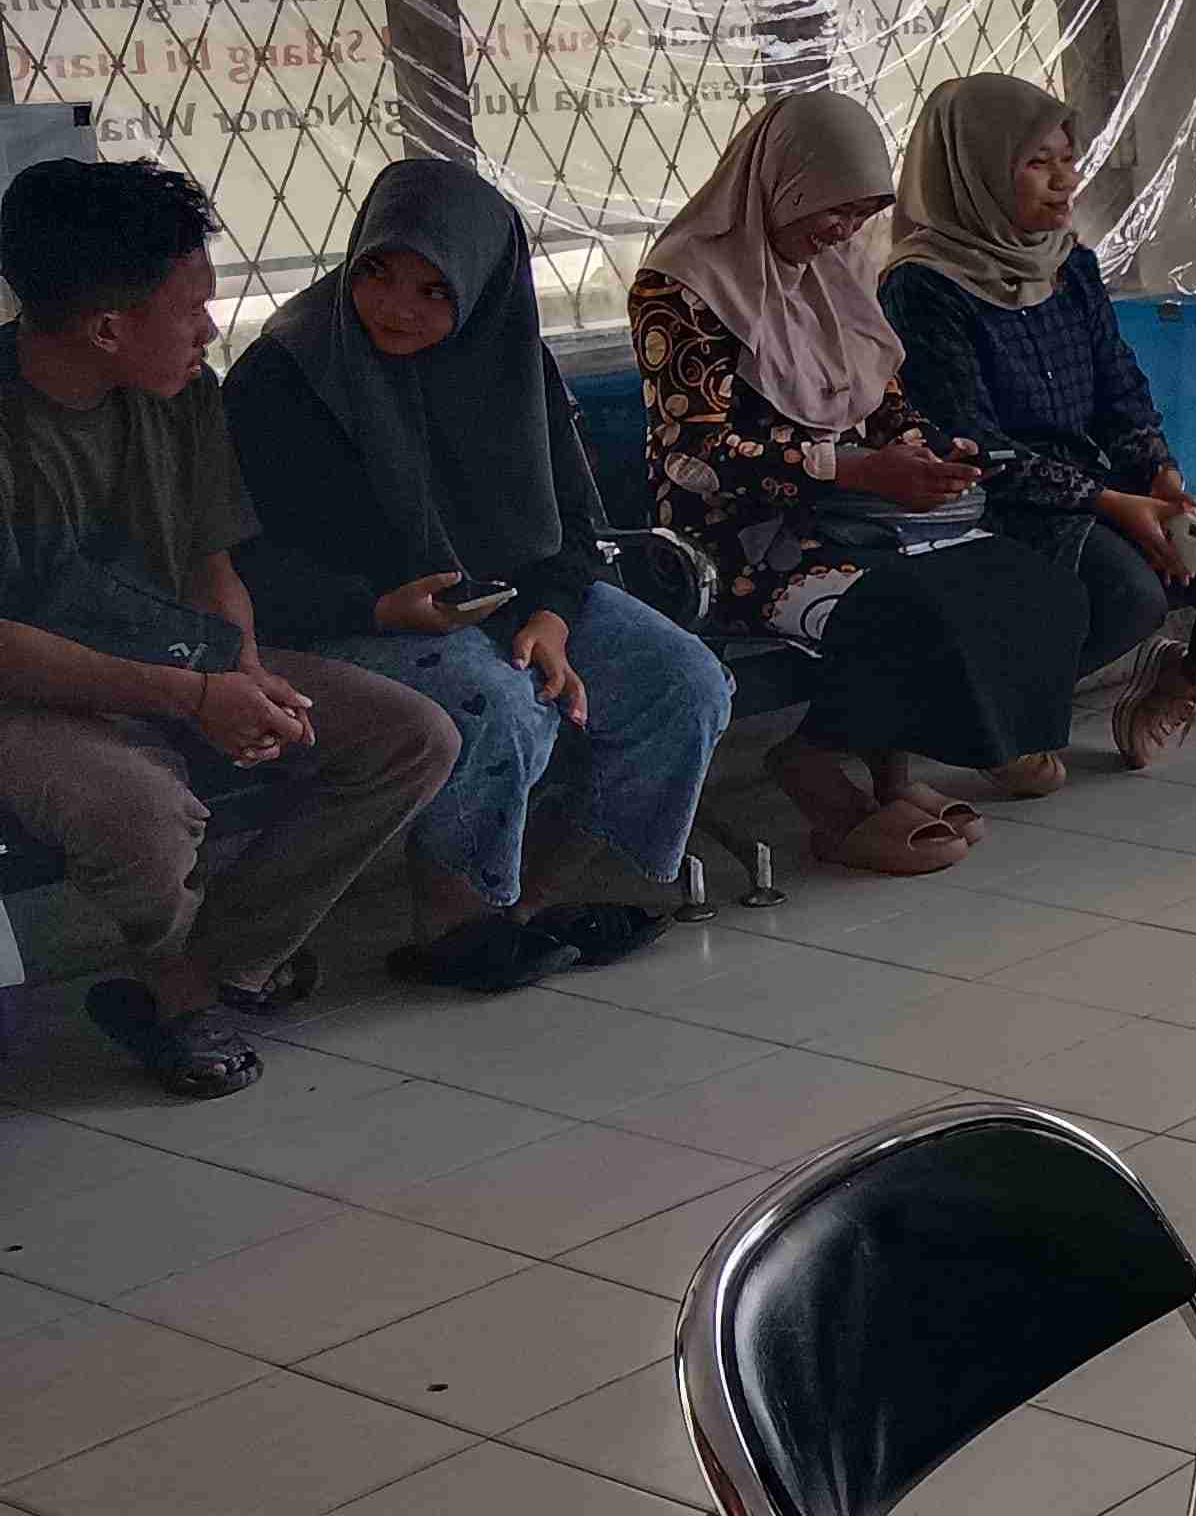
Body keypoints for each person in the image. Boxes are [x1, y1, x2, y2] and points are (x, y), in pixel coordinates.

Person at [0, 160, 454, 1095]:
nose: (212, 329)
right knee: (139, 812)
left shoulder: (182, 392)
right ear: (106, 328)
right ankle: (175, 991)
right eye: (194, 308)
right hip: (27, 692)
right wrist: (194, 696)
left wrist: (240, 672)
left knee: (411, 736)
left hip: (177, 655)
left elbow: (215, 560)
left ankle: (211, 968)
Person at [227, 160, 734, 991]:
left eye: (435, 291)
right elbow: (253, 564)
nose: (397, 307)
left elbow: (571, 521)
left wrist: (552, 617)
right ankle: (456, 922)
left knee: (682, 679)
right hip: (343, 621)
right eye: (379, 274)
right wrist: (380, 605)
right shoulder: (289, 373)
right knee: (491, 696)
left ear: (483, 287)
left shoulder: (510, 358)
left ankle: (544, 900)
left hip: (507, 597)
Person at [632, 91, 1092, 871]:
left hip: (863, 521)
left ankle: (895, 777)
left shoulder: (832, 272)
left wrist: (930, 456)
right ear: (783, 183)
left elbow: (887, 408)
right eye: (832, 210)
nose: (843, 232)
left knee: (1031, 581)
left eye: (861, 213)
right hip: (742, 544)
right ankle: (816, 768)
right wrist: (850, 468)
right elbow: (696, 455)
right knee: (917, 609)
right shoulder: (683, 288)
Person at [878, 73, 1196, 773]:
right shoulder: (922, 286)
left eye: (1068, 158)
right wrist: (1114, 505)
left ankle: (1178, 683)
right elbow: (966, 442)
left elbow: (1119, 387)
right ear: (971, 172)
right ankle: (1008, 715)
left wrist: (1158, 471)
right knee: (1129, 594)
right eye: (1038, 162)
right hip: (997, 502)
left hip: (1101, 483)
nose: (1065, 180)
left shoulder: (1071, 266)